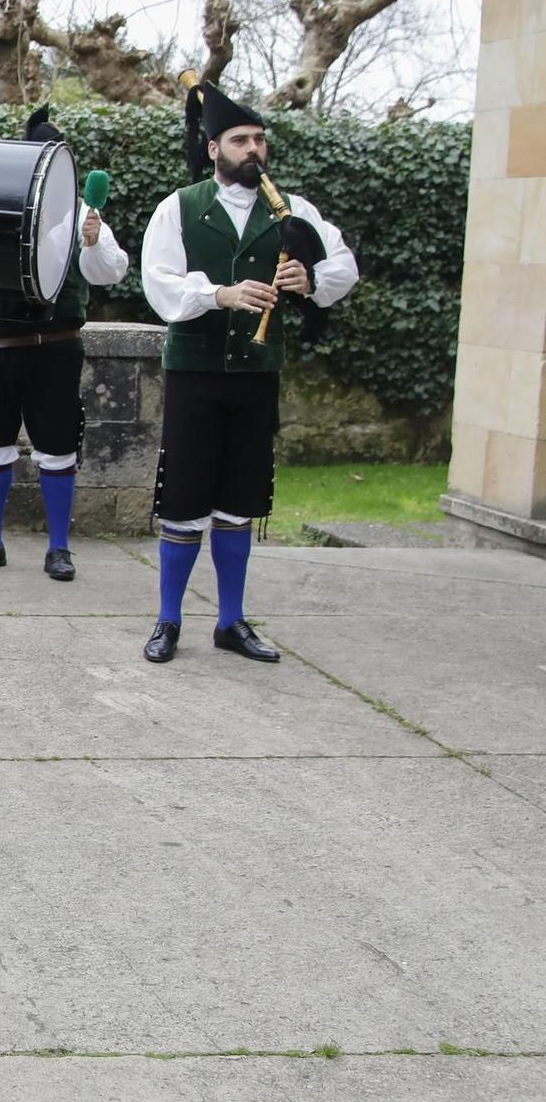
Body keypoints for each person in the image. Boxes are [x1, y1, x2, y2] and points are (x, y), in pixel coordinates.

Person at [139, 80, 357, 664]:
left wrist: (310, 281)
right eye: (240, 140)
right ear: (214, 148)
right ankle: (168, 621)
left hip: (257, 377)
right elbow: (158, 284)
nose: (253, 149)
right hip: (195, 375)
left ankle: (231, 622)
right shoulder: (179, 208)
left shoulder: (292, 209)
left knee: (238, 502)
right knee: (184, 502)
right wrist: (221, 294)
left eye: (259, 139)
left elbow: (343, 266)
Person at [0, 106, 130, 581]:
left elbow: (111, 270)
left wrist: (93, 240)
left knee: (58, 444)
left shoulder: (83, 209)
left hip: (55, 345)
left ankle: (59, 548)